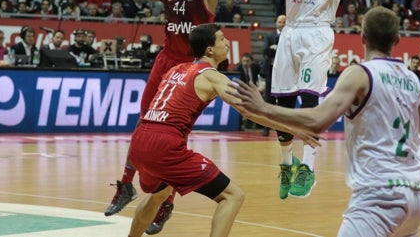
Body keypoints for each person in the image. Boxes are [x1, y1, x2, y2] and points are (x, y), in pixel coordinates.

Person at [98, 0, 247, 234]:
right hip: (168, 62)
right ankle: (128, 185)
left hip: (195, 66)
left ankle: (163, 202)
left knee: (171, 137)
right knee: (146, 124)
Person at [230, 6, 420, 237]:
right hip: (415, 197)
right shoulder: (411, 79)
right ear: (397, 39)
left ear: (362, 38)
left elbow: (317, 121)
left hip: (379, 195)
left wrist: (264, 108)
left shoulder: (360, 74)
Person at [126, 23, 318, 237]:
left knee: (159, 194)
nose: (227, 42)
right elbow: (250, 112)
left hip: (139, 140)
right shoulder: (211, 76)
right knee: (232, 196)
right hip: (164, 145)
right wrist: (292, 129)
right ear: (210, 50)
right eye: (221, 39)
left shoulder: (175, 69)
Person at [269, 0, 350, 199]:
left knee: (308, 100)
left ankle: (308, 167)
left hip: (317, 32)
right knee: (284, 106)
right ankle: (287, 166)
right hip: (290, 32)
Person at [261, 14, 286, 136]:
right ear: (276, 23)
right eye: (280, 21)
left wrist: (276, 49)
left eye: (284, 22)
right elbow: (266, 51)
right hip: (271, 71)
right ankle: (266, 127)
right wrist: (278, 50)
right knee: (268, 99)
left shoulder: (289, 36)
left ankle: (283, 127)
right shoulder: (269, 36)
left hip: (285, 72)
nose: (282, 24)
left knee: (283, 99)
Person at [232, 52, 262, 130]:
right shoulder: (237, 69)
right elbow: (236, 83)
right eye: (243, 61)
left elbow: (260, 78)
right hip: (242, 91)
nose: (245, 63)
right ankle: (242, 123)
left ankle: (260, 123)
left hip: (254, 89)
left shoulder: (256, 67)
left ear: (251, 61)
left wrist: (260, 86)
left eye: (247, 61)